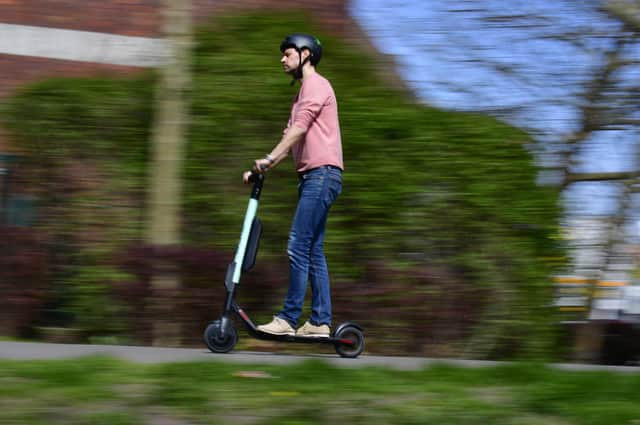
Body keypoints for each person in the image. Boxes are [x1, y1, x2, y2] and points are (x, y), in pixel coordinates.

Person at [243, 33, 343, 338]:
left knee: (298, 245)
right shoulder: (301, 94)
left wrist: (269, 159)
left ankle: (288, 318)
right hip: (316, 177)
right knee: (313, 249)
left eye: (287, 54)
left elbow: (298, 130)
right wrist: (263, 166)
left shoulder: (316, 85)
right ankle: (320, 322)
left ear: (305, 55)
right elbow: (289, 137)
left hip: (321, 175)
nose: (282, 59)